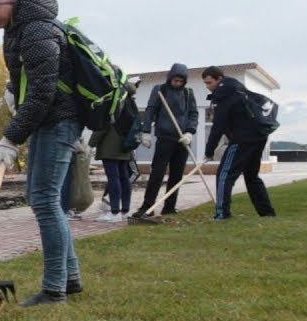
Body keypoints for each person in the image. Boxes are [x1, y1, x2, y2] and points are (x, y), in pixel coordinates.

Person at [0, 0, 82, 306]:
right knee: (42, 200)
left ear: (9, 0)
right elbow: (26, 75)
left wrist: (10, 137)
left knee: (47, 201)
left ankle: (54, 289)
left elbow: (43, 93)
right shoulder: (17, 28)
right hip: (45, 122)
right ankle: (71, 279)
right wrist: (11, 91)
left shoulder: (36, 29)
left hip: (57, 120)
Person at [202, 67, 276, 219]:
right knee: (252, 177)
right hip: (258, 137)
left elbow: (217, 128)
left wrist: (209, 152)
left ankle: (222, 214)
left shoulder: (225, 96)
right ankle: (267, 213)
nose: (207, 86)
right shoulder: (239, 90)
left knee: (224, 175)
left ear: (219, 79)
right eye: (205, 84)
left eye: (209, 82)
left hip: (242, 140)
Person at [131, 63, 197, 218]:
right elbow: (150, 110)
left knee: (177, 175)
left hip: (182, 140)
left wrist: (189, 132)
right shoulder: (160, 89)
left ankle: (169, 207)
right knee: (157, 174)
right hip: (165, 138)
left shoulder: (188, 93)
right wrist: (146, 131)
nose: (178, 83)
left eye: (181, 81)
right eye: (175, 80)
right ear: (170, 78)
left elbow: (193, 114)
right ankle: (147, 207)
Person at [89, 123, 136, 221]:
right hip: (125, 145)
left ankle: (114, 212)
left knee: (113, 178)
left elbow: (101, 125)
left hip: (109, 146)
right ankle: (125, 211)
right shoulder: (129, 106)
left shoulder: (108, 106)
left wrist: (90, 144)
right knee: (124, 177)